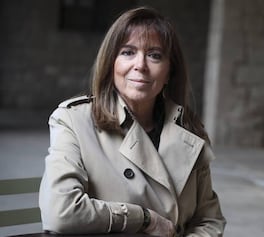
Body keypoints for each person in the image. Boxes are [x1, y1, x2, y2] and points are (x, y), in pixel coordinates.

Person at [39, 7, 226, 237]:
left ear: (169, 72)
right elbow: (61, 212)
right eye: (128, 52)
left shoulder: (190, 131)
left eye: (155, 55)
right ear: (111, 63)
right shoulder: (73, 120)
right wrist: (145, 219)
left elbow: (209, 220)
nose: (140, 65)